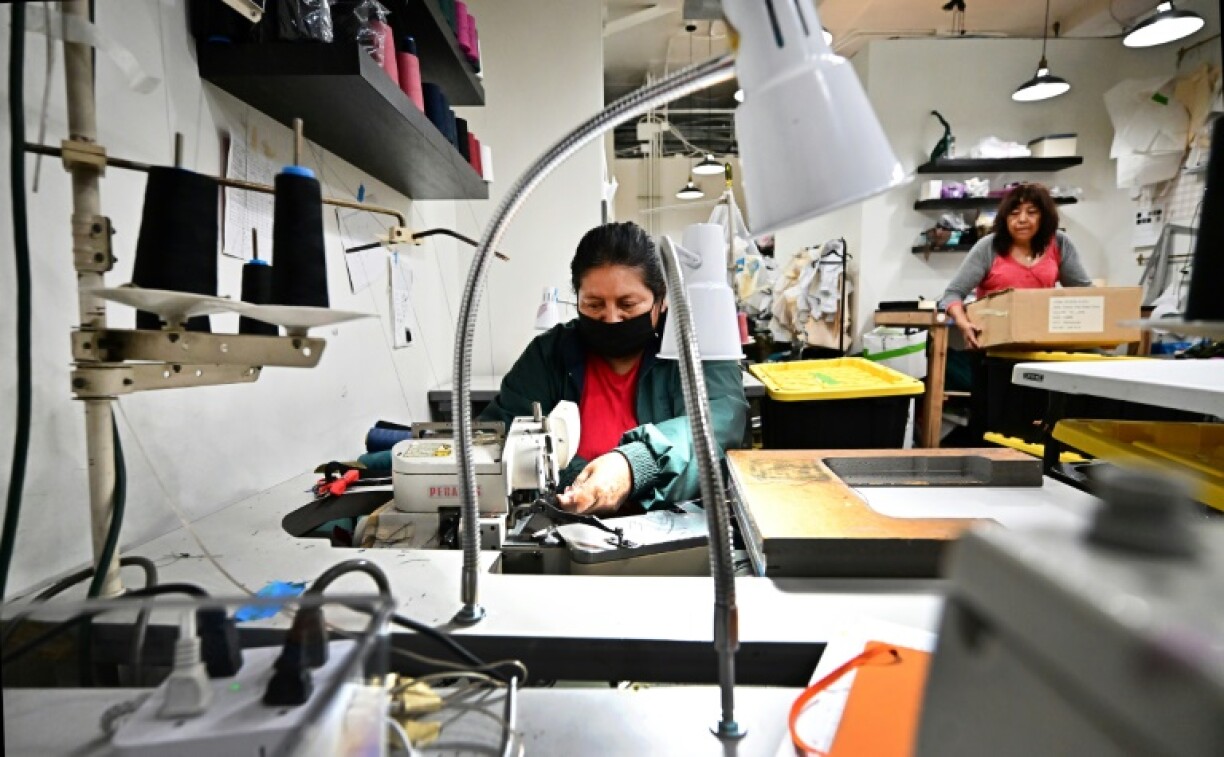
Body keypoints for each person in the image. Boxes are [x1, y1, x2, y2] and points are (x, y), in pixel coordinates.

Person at [480, 221, 748, 516]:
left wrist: (635, 465)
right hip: (570, 529)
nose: (611, 319)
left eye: (628, 304)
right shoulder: (550, 355)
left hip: (673, 528)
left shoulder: (697, 347)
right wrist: (578, 482)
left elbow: (718, 421)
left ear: (660, 301)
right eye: (594, 305)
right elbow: (498, 435)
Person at [939, 183, 1093, 349]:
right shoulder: (988, 247)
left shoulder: (1059, 243)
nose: (1022, 219)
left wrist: (1107, 328)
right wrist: (964, 323)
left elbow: (1085, 292)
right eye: (1014, 213)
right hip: (993, 348)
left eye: (1032, 212)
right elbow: (952, 295)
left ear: (1045, 216)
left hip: (1043, 345)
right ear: (1005, 218)